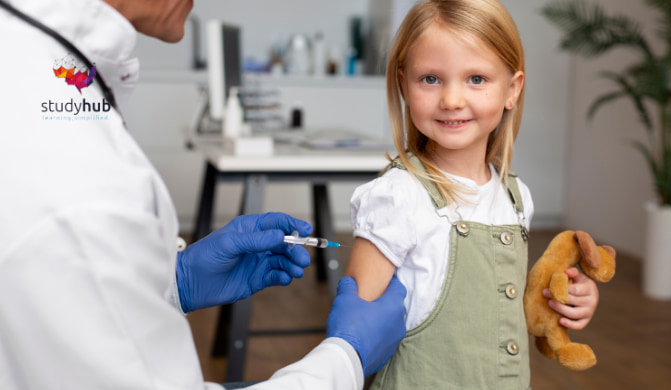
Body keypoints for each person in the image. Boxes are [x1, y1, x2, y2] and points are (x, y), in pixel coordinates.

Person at [0, 0, 406, 389]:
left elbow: (72, 307)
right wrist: (346, 358)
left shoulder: (34, 64)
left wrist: (174, 280)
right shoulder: (75, 182)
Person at [344, 0, 601, 388]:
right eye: (430, 79)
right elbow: (354, 331)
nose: (451, 99)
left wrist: (566, 301)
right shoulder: (398, 197)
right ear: (403, 85)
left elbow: (506, 306)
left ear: (511, 90)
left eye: (476, 79)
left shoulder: (516, 197)